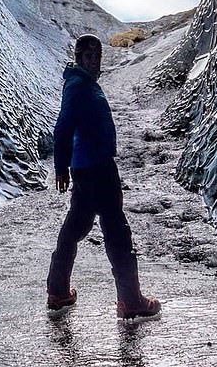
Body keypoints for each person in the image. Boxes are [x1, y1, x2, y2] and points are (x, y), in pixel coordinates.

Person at [46, 33, 161, 321]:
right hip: (96, 168)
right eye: (88, 56)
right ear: (78, 57)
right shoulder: (77, 86)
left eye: (97, 56)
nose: (95, 61)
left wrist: (69, 165)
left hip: (87, 166)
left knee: (76, 226)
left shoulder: (82, 83)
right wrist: (61, 166)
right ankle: (131, 300)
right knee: (117, 230)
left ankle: (58, 292)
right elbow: (62, 128)